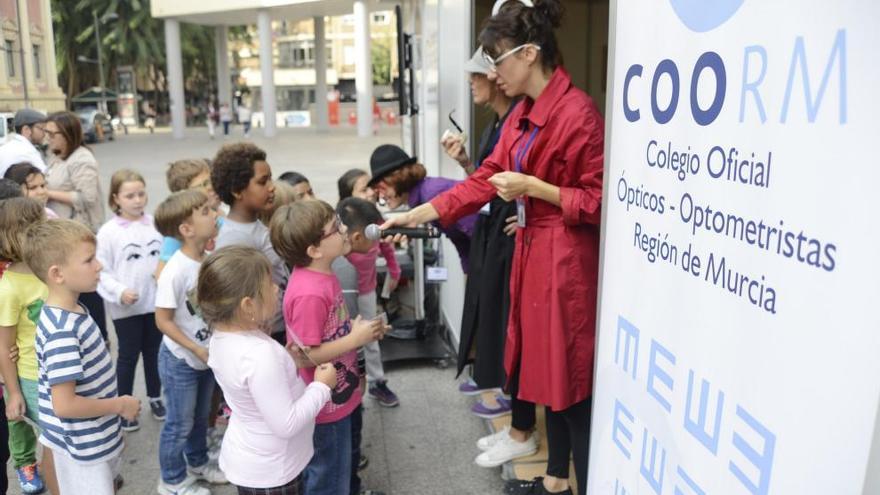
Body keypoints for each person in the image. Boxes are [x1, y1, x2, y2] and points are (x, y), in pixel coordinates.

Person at [381, 0, 604, 493]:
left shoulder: (578, 113)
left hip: (564, 261)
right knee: (545, 376)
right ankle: (554, 478)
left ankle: (575, 480)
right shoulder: (524, 113)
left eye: (497, 59)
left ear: (529, 54)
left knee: (568, 382)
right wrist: (418, 214)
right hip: (534, 252)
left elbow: (597, 201)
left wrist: (534, 188)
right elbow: (482, 181)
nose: (493, 71)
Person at [443, 46, 539, 467]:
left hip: (510, 241)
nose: (474, 82)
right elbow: (486, 184)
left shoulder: (522, 121)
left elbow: (542, 182)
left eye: (478, 74)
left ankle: (521, 430)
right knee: (501, 327)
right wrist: (466, 162)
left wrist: (532, 219)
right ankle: (516, 425)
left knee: (513, 330)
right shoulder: (497, 124)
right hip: (495, 236)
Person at [269, 200, 387, 495]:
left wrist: (359, 331)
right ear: (314, 250)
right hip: (325, 407)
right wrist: (355, 339)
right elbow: (307, 356)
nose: (345, 230)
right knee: (329, 479)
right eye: (336, 228)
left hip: (338, 397)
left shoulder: (323, 275)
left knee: (338, 472)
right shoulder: (309, 291)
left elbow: (328, 333)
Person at [201, 246, 336, 495]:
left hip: (254, 459)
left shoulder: (221, 337)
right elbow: (287, 423)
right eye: (269, 284)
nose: (276, 288)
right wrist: (322, 385)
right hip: (273, 470)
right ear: (248, 305)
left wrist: (283, 358)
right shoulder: (260, 355)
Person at [24, 219, 141, 495]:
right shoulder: (63, 331)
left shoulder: (71, 310)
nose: (99, 265)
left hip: (89, 437)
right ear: (58, 274)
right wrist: (120, 405)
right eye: (89, 260)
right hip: (84, 447)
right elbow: (64, 405)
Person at [154, 190, 227, 495]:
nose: (215, 215)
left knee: (199, 417)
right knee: (179, 423)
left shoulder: (207, 261)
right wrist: (196, 348)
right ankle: (170, 480)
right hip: (181, 360)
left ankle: (197, 462)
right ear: (186, 228)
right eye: (207, 212)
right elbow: (163, 320)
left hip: (205, 355)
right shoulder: (175, 270)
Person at [96, 170, 166, 432]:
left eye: (141, 193)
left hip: (154, 303)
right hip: (126, 308)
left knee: (154, 352)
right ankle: (123, 405)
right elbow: (102, 270)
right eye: (129, 196)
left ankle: (155, 397)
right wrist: (120, 291)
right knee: (127, 355)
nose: (137, 200)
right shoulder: (108, 232)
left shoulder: (155, 224)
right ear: (116, 198)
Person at [0, 198, 54, 495]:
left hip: (58, 366)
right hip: (31, 374)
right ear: (20, 233)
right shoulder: (8, 287)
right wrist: (14, 393)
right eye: (41, 225)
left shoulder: (47, 268)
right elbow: (4, 347)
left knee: (57, 435)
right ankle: (26, 462)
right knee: (47, 435)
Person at [211, 143, 288, 345]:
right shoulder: (234, 239)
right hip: (266, 336)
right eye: (263, 182)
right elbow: (233, 298)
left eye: (271, 178)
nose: (272, 187)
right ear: (237, 191)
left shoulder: (254, 225)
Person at [43, 111, 108, 340]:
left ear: (68, 134)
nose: (48, 138)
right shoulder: (56, 157)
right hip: (62, 238)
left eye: (52, 134)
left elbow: (86, 197)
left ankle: (97, 339)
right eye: (46, 133)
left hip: (80, 236)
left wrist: (48, 192)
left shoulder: (81, 159)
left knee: (87, 291)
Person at [368, 144, 477, 271]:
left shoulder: (432, 192)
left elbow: (479, 230)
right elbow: (461, 240)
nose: (381, 195)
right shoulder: (424, 197)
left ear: (398, 178)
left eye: (382, 188)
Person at [335, 197, 400, 408]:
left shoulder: (372, 232)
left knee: (371, 339)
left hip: (367, 293)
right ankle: (351, 388)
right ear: (354, 236)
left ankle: (376, 382)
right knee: (346, 340)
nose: (376, 239)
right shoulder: (339, 249)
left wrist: (394, 270)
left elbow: (387, 247)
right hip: (344, 297)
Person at [155, 158, 224, 279]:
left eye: (210, 181)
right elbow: (161, 275)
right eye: (203, 185)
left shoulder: (220, 214)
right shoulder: (180, 233)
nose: (211, 187)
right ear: (185, 196)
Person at [0, 109, 47, 177]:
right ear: (26, 130)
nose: (44, 133)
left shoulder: (6, 147)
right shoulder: (27, 151)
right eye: (41, 128)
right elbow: (46, 176)